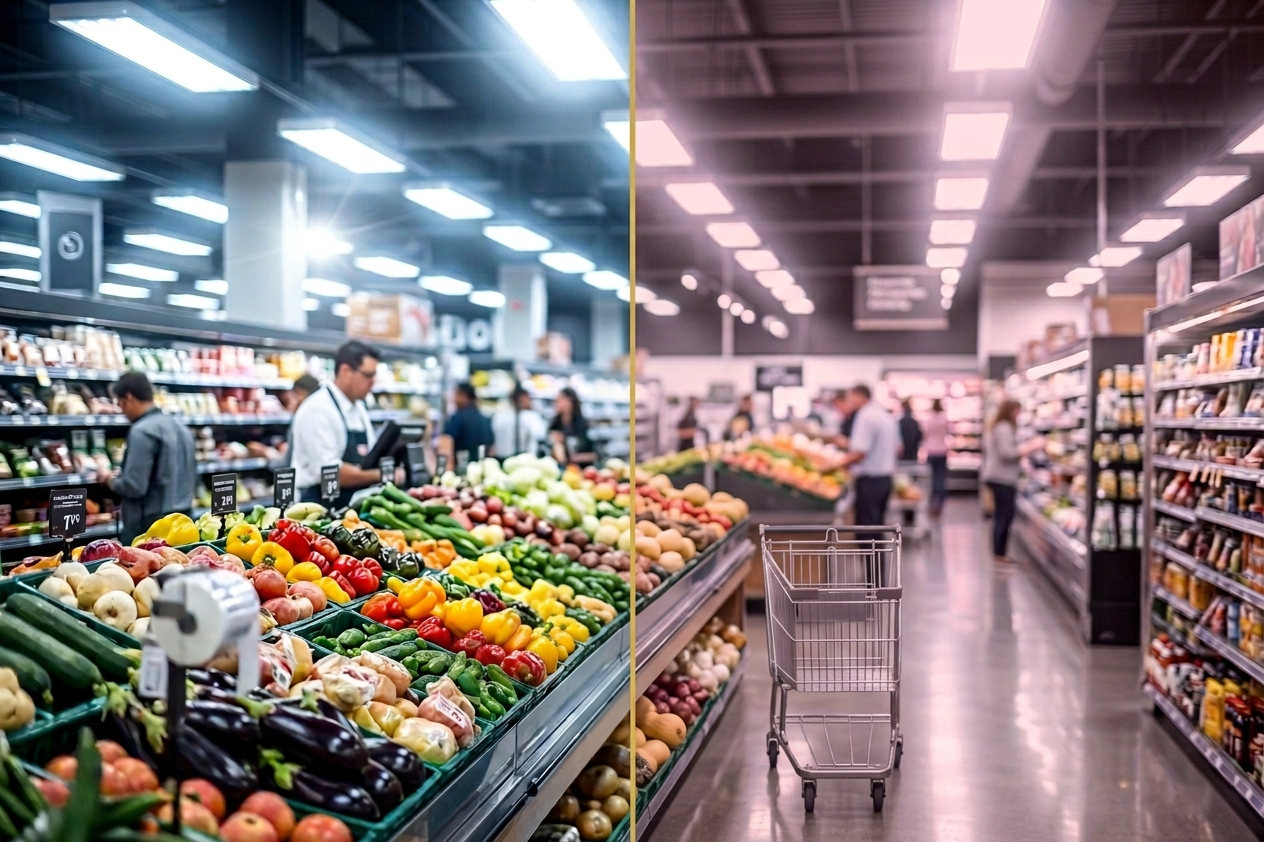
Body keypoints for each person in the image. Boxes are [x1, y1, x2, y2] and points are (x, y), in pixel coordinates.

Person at [290, 340, 386, 507]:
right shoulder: (317, 409)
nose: (373, 382)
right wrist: (381, 474)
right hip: (317, 508)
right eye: (368, 375)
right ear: (346, 371)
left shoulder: (358, 407)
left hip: (350, 504)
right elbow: (331, 473)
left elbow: (370, 454)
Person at [107, 371, 196, 544]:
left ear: (129, 397)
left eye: (120, 404)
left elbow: (134, 486)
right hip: (185, 521)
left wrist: (110, 480)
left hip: (151, 528)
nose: (122, 411)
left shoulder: (142, 431)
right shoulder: (180, 427)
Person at [840, 384, 899, 526]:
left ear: (859, 396)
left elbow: (860, 453)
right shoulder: (885, 415)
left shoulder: (865, 416)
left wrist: (836, 464)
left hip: (870, 481)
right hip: (886, 479)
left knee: (866, 527)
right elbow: (898, 447)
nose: (849, 402)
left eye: (850, 397)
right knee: (877, 526)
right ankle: (879, 549)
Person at [982, 398, 1023, 563]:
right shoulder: (1004, 428)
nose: (1019, 415)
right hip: (1002, 478)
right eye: (1017, 411)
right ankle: (999, 553)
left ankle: (999, 552)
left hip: (1000, 477)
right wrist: (1028, 448)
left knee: (1002, 514)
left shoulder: (1000, 427)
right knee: (1004, 515)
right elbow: (1007, 453)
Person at [442, 382, 495, 467]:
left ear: (464, 396)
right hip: (481, 468)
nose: (454, 399)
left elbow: (446, 444)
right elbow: (491, 449)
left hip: (460, 468)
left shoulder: (457, 418)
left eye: (456, 395)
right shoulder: (484, 418)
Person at [492, 383, 547, 458]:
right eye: (529, 398)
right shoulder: (531, 417)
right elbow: (540, 436)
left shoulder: (499, 416)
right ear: (522, 398)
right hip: (525, 461)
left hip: (501, 459)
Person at [549, 387, 595, 465]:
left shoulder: (583, 425)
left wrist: (572, 458)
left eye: (559, 400)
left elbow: (593, 455)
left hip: (582, 471)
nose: (556, 403)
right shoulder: (554, 424)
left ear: (569, 401)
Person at [923, 398, 951, 516]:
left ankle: (931, 503)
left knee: (930, 479)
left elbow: (925, 434)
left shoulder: (929, 419)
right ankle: (940, 503)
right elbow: (948, 432)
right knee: (940, 479)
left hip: (930, 451)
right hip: (942, 451)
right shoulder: (944, 419)